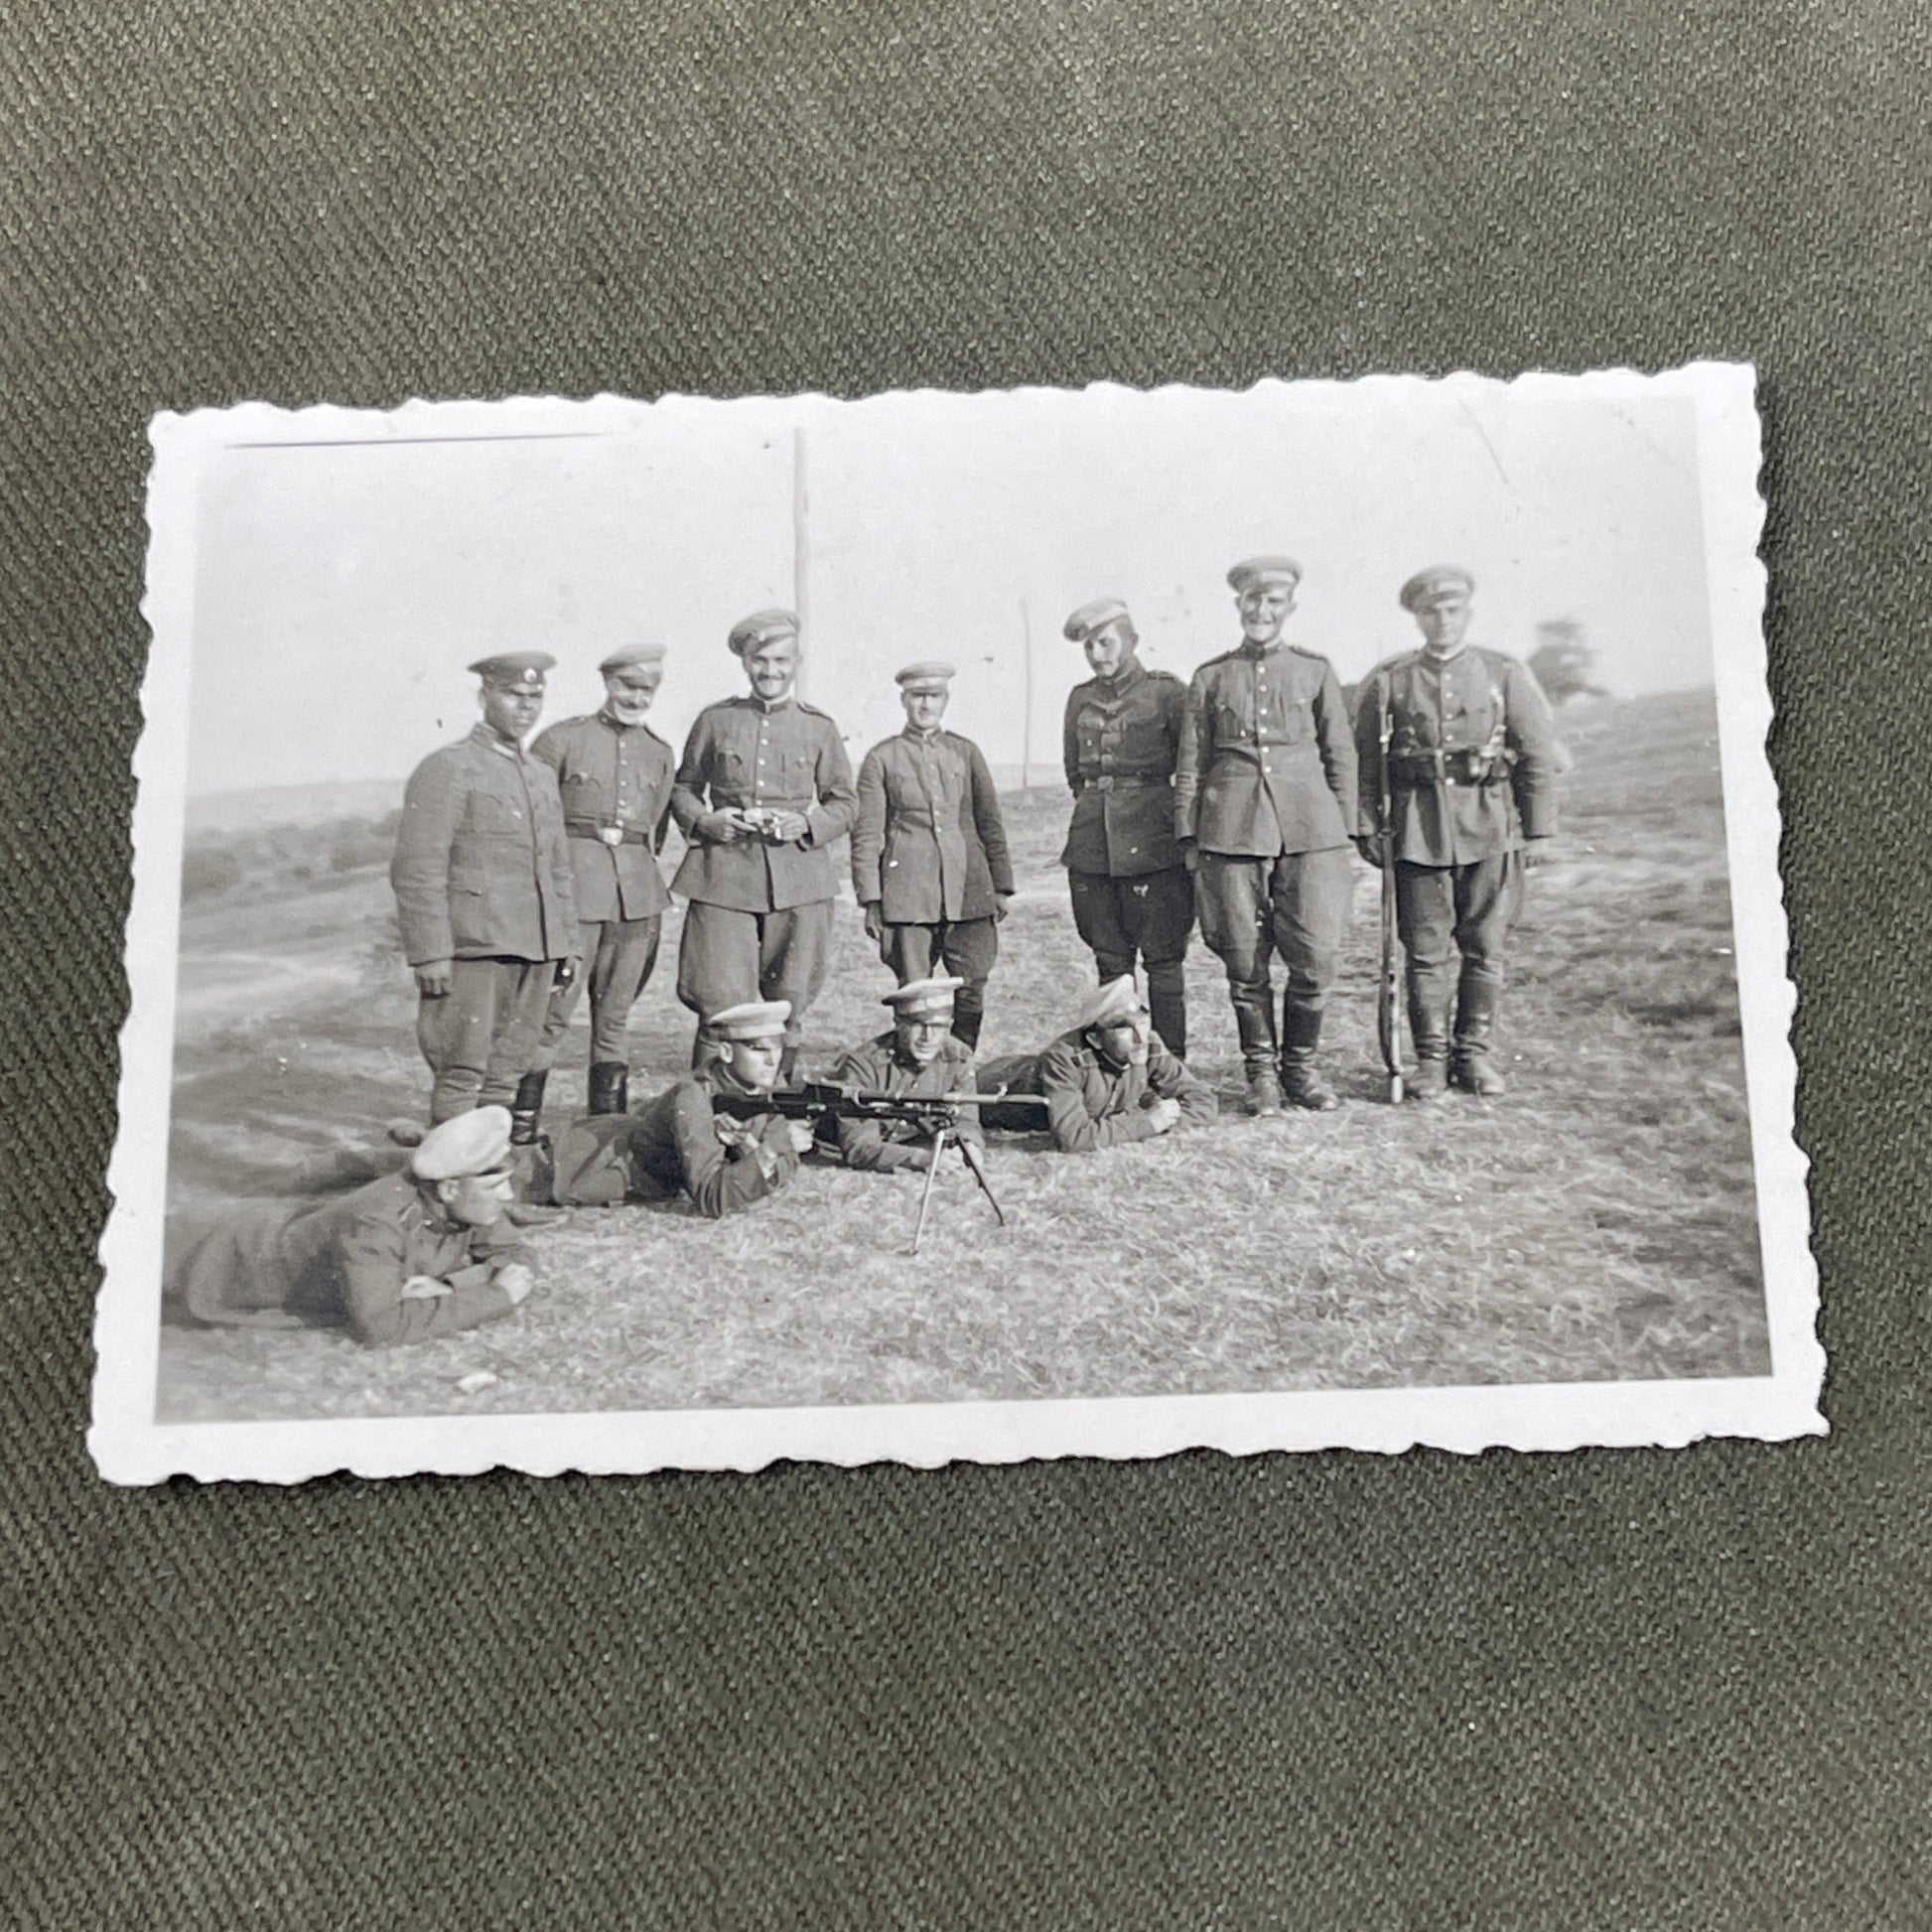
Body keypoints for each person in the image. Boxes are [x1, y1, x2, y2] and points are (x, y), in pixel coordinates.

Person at [1354, 567, 1559, 1098]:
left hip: (1490, 826)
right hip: (1417, 832)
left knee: (1485, 947)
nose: (1441, 620)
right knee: (1424, 952)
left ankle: (1475, 1056)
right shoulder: (1390, 680)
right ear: (1417, 617)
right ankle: (1431, 1061)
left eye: (1451, 610)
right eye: (1430, 612)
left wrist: (1538, 832)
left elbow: (1535, 754)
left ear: (1468, 613)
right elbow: (1364, 765)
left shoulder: (1502, 673)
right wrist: (1368, 829)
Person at [1174, 556, 1358, 1116]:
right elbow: (1191, 764)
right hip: (1231, 832)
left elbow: (1340, 753)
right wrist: (1189, 836)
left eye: (1273, 601)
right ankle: (1262, 1078)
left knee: (1316, 955)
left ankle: (1301, 1070)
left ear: (1289, 608)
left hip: (1311, 832)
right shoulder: (1211, 677)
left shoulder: (1314, 671)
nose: (1261, 611)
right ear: (1239, 606)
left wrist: (1345, 829)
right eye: (1252, 601)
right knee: (1244, 960)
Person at [390, 650, 579, 1130]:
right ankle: (446, 1190)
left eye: (535, 697)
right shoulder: (449, 767)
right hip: (474, 949)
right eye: (514, 695)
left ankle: (486, 1192)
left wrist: (567, 944)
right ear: (484, 696)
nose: (526, 707)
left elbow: (557, 869)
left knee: (506, 1076)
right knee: (460, 1074)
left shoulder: (538, 774)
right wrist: (430, 953)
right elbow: (418, 868)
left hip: (536, 948)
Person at [164, 1107, 540, 1344]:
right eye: (495, 1186)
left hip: (260, 1228)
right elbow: (382, 1326)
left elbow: (516, 1255)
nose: (507, 1196)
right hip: (211, 1261)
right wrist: (495, 1296)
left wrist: (448, 1285)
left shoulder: (467, 1201)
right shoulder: (376, 1224)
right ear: (449, 1188)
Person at [670, 609, 857, 1073]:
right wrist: (709, 822)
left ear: (797, 662)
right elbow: (683, 790)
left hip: (799, 881)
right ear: (745, 663)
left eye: (781, 660)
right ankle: (707, 1108)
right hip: (724, 880)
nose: (770, 671)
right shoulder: (717, 720)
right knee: (719, 1003)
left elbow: (845, 803)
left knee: (789, 1002)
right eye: (760, 661)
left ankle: (780, 1114)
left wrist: (807, 825)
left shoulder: (818, 727)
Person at [525, 641, 677, 1128]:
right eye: (627, 686)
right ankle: (520, 1129)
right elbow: (535, 825)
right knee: (550, 1017)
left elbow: (654, 830)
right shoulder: (562, 741)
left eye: (646, 689)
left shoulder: (659, 753)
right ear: (608, 684)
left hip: (635, 902)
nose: (636, 698)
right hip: (574, 897)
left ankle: (605, 1132)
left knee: (614, 1019)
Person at [850, 662, 1014, 1049]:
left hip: (969, 894)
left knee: (971, 987)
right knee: (915, 993)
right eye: (917, 696)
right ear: (903, 700)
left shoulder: (966, 752)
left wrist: (1001, 886)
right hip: (908, 897)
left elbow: (990, 821)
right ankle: (916, 1075)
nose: (926, 704)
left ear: (945, 700)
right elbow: (866, 834)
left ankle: (961, 1069)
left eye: (934, 696)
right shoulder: (882, 758)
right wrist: (871, 899)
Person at [1058, 598, 1195, 1056]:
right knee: (1111, 961)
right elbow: (1075, 773)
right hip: (1093, 849)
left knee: (1163, 961)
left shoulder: (1166, 693)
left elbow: (1189, 765)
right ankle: (1122, 1061)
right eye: (1089, 647)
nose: (1098, 654)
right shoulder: (1080, 698)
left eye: (1106, 642)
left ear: (1132, 641)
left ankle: (1171, 1063)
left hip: (1155, 847)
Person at [546, 1001, 814, 1216]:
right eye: (759, 1049)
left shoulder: (765, 1090)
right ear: (727, 1053)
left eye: (778, 1049)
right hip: (583, 1164)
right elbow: (712, 1200)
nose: (771, 1061)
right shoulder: (693, 1097)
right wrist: (768, 1151)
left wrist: (749, 1146)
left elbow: (786, 1168)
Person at [976, 977, 1217, 1153]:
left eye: (1142, 1023)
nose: (1139, 1037)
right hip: (992, 1087)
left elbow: (1203, 1101)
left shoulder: (1147, 1045)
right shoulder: (1064, 1059)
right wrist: (1146, 1123)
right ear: (1094, 1039)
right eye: (1125, 1029)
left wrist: (1162, 1122)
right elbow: (1074, 1138)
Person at [823, 976, 984, 1173]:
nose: (928, 1037)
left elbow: (966, 1119)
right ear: (898, 1024)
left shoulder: (957, 1056)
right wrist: (922, 1159)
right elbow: (860, 1148)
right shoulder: (863, 1065)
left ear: (949, 1026)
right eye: (918, 1026)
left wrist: (969, 1146)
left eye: (938, 1027)